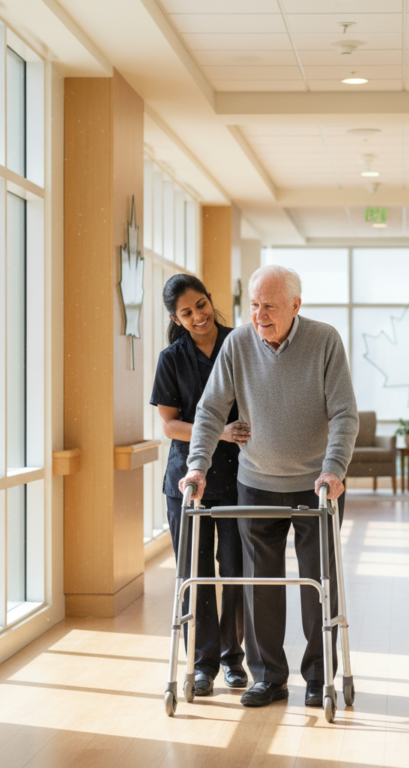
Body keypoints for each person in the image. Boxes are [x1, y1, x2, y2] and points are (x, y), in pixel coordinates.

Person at [179, 264, 358, 709]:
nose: (259, 314)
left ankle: (319, 678)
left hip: (318, 486)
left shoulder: (325, 341)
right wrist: (197, 466)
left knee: (320, 582)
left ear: (296, 306)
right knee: (261, 585)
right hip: (256, 482)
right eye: (254, 305)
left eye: (270, 306)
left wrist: (334, 469)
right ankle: (268, 678)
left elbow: (344, 414)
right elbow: (210, 410)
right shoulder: (238, 344)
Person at [150, 274, 251, 697]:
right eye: (186, 313)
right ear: (176, 317)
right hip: (188, 482)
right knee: (195, 573)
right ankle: (202, 663)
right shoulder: (171, 358)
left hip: (240, 478)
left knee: (236, 570)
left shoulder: (242, 344)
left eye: (201, 306)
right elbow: (170, 425)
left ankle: (233, 660)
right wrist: (218, 433)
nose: (198, 317)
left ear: (211, 300)